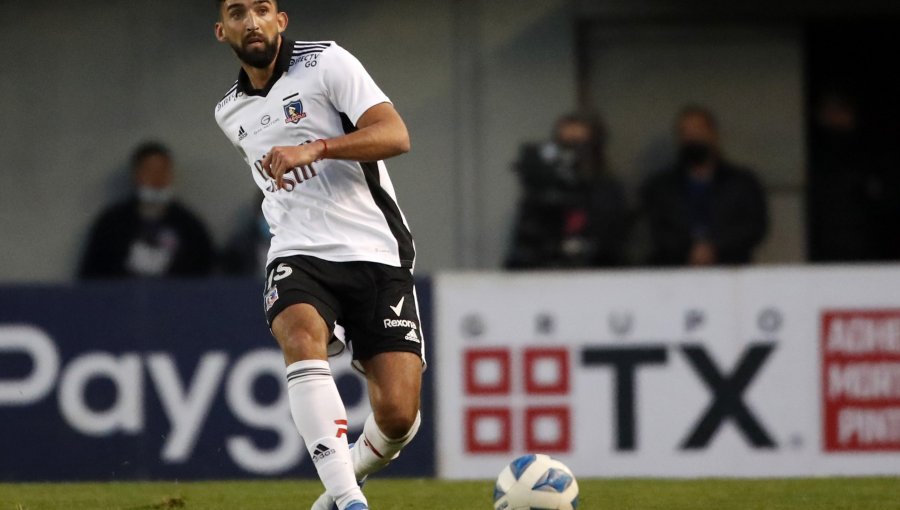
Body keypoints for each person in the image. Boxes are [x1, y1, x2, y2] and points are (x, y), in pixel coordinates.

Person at [213, 2, 421, 509]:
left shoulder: (327, 62)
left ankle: (340, 486)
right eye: (238, 13)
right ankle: (351, 501)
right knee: (299, 332)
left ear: (280, 20)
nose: (252, 21)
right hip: (298, 250)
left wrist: (318, 148)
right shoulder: (227, 111)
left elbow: (396, 135)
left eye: (262, 8)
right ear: (223, 31)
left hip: (374, 248)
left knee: (397, 415)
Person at [640, 106, 768, 266]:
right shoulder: (660, 187)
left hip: (733, 270)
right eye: (685, 132)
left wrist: (714, 247)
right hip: (672, 273)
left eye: (698, 130)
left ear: (713, 134)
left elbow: (754, 227)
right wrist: (688, 249)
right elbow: (654, 229)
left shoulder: (742, 183)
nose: (692, 137)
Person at [505, 113, 629, 269]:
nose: (570, 155)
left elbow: (610, 248)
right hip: (542, 278)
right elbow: (525, 249)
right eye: (563, 145)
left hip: (595, 276)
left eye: (578, 145)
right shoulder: (540, 195)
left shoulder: (607, 191)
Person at [79, 142, 214, 279]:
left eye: (163, 171)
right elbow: (92, 276)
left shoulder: (190, 227)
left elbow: (205, 276)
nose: (157, 180)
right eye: (150, 171)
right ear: (136, 175)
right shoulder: (111, 225)